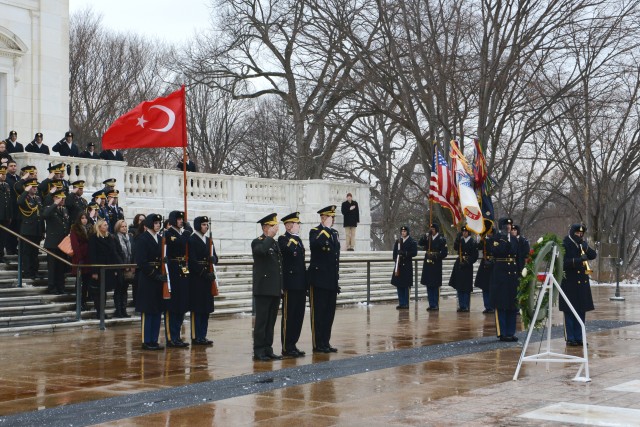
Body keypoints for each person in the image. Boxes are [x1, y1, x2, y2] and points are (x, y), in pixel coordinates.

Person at [308, 205, 340, 353]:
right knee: (319, 314)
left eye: (332, 218)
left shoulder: (334, 233)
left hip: (331, 280)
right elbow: (315, 245)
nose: (332, 220)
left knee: (329, 314)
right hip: (319, 279)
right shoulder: (315, 232)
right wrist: (325, 229)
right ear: (323, 218)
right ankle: (318, 343)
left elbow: (335, 258)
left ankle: (326, 342)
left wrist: (336, 280)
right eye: (329, 217)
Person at [252, 212, 283, 361]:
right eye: (272, 226)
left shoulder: (274, 243)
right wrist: (269, 237)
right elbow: (261, 252)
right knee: (262, 321)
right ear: (265, 228)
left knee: (271, 322)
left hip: (274, 289)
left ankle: (268, 348)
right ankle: (258, 349)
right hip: (263, 289)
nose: (275, 228)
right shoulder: (258, 241)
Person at [560, 223, 597, 346]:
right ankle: (570, 338)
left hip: (582, 282)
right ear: (572, 233)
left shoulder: (582, 244)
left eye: (581, 234)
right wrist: (577, 261)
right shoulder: (565, 244)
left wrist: (586, 247)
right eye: (577, 233)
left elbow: (593, 255)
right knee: (570, 310)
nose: (580, 235)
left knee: (581, 310)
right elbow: (562, 263)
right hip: (569, 282)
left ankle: (579, 337)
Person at [135, 213, 166, 350]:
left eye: (159, 222)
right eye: (155, 222)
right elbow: (141, 261)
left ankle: (154, 339)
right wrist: (154, 274)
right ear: (148, 224)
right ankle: (146, 340)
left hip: (158, 276)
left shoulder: (160, 238)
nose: (158, 225)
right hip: (148, 278)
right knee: (148, 310)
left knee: (157, 309)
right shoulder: (143, 238)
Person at [278, 211, 307, 357]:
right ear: (289, 226)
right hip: (290, 283)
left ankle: (293, 344)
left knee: (298, 316)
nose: (299, 226)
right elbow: (287, 250)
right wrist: (292, 238)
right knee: (289, 316)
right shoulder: (283, 239)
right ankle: (286, 346)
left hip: (300, 284)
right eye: (297, 224)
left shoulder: (298, 240)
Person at [163, 211, 192, 348]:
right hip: (173, 268)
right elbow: (180, 243)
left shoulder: (181, 233)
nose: (181, 221)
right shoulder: (169, 233)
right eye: (179, 219)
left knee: (181, 304)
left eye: (182, 219)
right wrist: (187, 232)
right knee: (173, 305)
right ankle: (171, 337)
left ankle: (177, 336)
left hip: (182, 266)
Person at [188, 216, 217, 345]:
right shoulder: (192, 240)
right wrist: (204, 273)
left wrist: (213, 260)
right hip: (197, 278)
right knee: (197, 308)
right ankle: (196, 336)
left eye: (207, 224)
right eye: (204, 224)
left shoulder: (209, 240)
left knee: (206, 309)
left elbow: (215, 256)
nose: (206, 226)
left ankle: (203, 335)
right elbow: (192, 261)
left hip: (207, 278)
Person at [491, 217, 519, 342]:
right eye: (506, 225)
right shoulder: (496, 238)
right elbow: (498, 251)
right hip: (500, 274)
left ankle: (510, 332)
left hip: (512, 274)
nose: (509, 227)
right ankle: (502, 332)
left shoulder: (513, 238)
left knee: (512, 304)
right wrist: (503, 239)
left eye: (510, 225)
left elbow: (516, 253)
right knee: (501, 304)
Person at [88, 218, 123, 319]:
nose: (107, 226)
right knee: (98, 291)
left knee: (104, 291)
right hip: (99, 268)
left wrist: (116, 268)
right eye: (104, 225)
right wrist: (94, 272)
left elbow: (114, 253)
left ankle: (102, 311)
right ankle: (99, 312)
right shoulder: (94, 238)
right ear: (99, 227)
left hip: (108, 269)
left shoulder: (110, 237)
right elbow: (93, 255)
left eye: (107, 225)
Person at [43, 189, 71, 295]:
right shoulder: (49, 208)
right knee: (53, 267)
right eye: (60, 198)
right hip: (52, 244)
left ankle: (60, 286)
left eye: (63, 198)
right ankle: (52, 286)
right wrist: (55, 204)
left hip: (63, 244)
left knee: (61, 268)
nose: (62, 200)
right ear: (54, 198)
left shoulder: (64, 210)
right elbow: (45, 215)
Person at [17, 178, 43, 280]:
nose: (35, 188)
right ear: (28, 187)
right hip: (27, 229)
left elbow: (40, 215)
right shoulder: (24, 197)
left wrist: (42, 230)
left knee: (35, 253)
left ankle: (34, 271)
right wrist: (25, 191)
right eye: (33, 186)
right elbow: (19, 202)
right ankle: (27, 272)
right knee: (27, 253)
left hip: (37, 230)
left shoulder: (38, 198)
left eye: (36, 186)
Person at [418, 223, 448, 311]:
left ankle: (435, 304)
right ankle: (431, 304)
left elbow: (444, 253)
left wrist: (435, 256)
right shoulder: (428, 238)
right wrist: (425, 236)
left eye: (433, 229)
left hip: (436, 264)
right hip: (428, 264)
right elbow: (420, 243)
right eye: (431, 229)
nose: (432, 231)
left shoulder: (441, 239)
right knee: (428, 284)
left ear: (437, 230)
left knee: (435, 285)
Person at [449, 225, 478, 312]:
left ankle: (465, 305)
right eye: (463, 232)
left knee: (466, 287)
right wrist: (457, 240)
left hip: (467, 265)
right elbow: (455, 248)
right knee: (459, 285)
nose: (464, 233)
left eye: (466, 232)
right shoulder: (460, 241)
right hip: (459, 264)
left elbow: (475, 256)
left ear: (469, 233)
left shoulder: (473, 242)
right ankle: (461, 305)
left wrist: (467, 262)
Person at [391, 225, 418, 309]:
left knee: (406, 285)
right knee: (399, 285)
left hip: (407, 266)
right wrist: (396, 259)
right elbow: (395, 253)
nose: (403, 233)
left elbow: (414, 253)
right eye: (402, 231)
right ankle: (401, 302)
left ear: (407, 232)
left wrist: (405, 253)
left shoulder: (411, 241)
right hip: (399, 266)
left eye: (405, 231)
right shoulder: (398, 241)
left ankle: (406, 303)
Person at [70, 212, 92, 311]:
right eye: (82, 218)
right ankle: (78, 302)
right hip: (79, 259)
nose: (84, 220)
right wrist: (79, 258)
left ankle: (84, 301)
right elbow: (75, 245)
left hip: (88, 259)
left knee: (86, 282)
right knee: (79, 282)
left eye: (86, 218)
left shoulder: (91, 228)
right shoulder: (75, 229)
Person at [113, 219, 134, 318]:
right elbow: (115, 253)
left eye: (125, 226)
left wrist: (131, 265)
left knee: (125, 289)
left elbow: (132, 252)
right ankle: (118, 310)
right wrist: (123, 265)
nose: (124, 228)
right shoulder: (115, 237)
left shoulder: (129, 237)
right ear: (118, 227)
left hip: (128, 266)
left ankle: (124, 309)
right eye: (122, 226)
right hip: (119, 267)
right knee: (118, 289)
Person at [474, 219, 495, 314]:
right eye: (488, 232)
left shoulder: (496, 241)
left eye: (490, 232)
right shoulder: (484, 240)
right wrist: (480, 238)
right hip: (484, 264)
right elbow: (478, 247)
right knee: (484, 287)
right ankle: (487, 306)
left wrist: (492, 261)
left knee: (492, 287)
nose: (489, 234)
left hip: (493, 264)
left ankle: (492, 305)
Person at [5, 160, 19, 255]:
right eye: (11, 166)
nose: (13, 167)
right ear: (7, 168)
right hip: (10, 208)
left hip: (18, 208)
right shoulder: (5, 178)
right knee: (9, 230)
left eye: (14, 165)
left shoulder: (19, 178)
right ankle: (9, 248)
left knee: (16, 229)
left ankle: (14, 247)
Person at [0, 165, 13, 261]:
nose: (3, 176)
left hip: (5, 216)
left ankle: (1, 255)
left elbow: (8, 201)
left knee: (3, 237)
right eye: (1, 174)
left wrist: (10, 215)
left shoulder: (6, 185)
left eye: (4, 174)